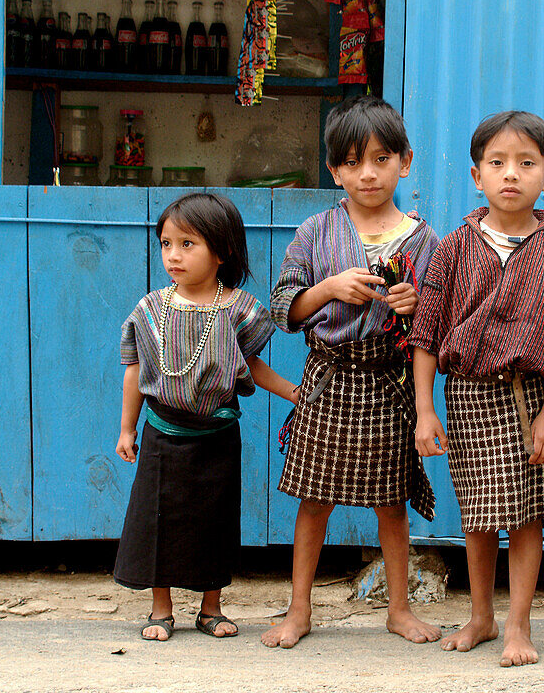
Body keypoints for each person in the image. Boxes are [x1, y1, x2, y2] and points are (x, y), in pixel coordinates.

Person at [411, 110, 544, 667]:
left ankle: (518, 624)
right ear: (477, 175)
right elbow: (427, 335)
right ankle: (482, 616)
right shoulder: (454, 247)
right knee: (481, 512)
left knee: (526, 514)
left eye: (526, 163)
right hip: (468, 393)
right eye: (497, 163)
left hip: (533, 394)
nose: (511, 174)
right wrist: (424, 411)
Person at [263, 95, 440, 650]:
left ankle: (399, 609)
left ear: (404, 162)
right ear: (335, 169)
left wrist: (417, 306)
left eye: (382, 159)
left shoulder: (424, 240)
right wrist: (328, 288)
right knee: (314, 499)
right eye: (353, 161)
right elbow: (283, 309)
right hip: (330, 379)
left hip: (392, 383)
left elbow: (437, 325)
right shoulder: (316, 231)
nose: (368, 173)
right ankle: (298, 610)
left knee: (391, 501)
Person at [114, 192, 298, 642]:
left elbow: (250, 365)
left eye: (187, 244)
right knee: (158, 518)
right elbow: (134, 369)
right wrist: (126, 427)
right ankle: (161, 609)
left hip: (217, 434)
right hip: (162, 432)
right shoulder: (150, 309)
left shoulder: (239, 309)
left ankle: (210, 608)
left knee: (213, 520)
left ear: (222, 250)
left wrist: (295, 392)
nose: (173, 255)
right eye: (166, 244)